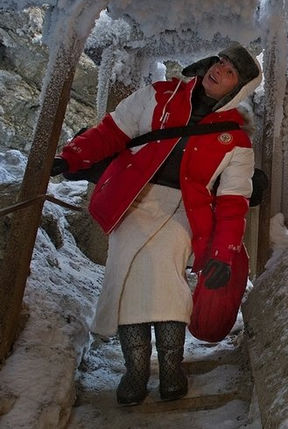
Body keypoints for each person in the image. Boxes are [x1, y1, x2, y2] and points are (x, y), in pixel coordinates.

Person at [51, 43, 261, 406]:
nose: (219, 70)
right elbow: (111, 132)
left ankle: (170, 366)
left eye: (230, 72)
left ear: (237, 89)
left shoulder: (236, 140)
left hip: (184, 210)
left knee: (165, 280)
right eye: (221, 61)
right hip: (132, 198)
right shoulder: (158, 95)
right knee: (128, 277)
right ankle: (135, 369)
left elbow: (233, 200)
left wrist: (223, 252)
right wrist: (69, 157)